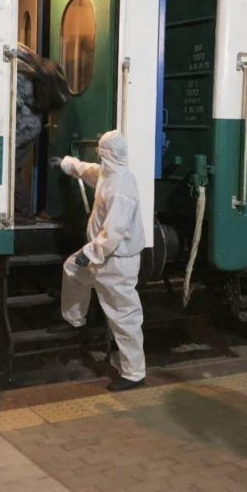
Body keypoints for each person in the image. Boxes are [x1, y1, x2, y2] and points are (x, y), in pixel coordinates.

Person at [51, 130, 146, 392]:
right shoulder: (109, 174)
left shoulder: (121, 188)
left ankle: (134, 373)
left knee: (124, 316)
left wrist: (90, 252)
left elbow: (114, 233)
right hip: (103, 258)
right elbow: (90, 171)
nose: (98, 155)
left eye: (101, 150)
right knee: (72, 271)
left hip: (116, 261)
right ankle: (74, 320)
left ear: (107, 153)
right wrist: (67, 164)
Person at [14, 47, 69, 224]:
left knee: (10, 168)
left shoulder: (17, 68)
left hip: (23, 124)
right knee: (14, 167)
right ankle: (21, 211)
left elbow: (16, 102)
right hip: (32, 123)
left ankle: (23, 214)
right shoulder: (29, 62)